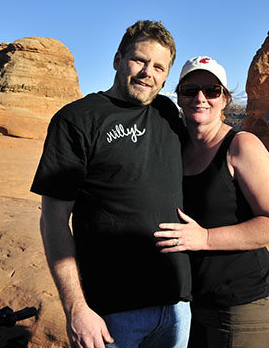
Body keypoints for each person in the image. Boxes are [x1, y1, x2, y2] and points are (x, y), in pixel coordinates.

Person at [31, 20, 192, 348]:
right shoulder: (76, 120)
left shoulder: (166, 113)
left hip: (176, 308)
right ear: (118, 60)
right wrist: (76, 309)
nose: (148, 72)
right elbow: (53, 220)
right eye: (139, 60)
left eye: (159, 67)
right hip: (111, 315)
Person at [154, 56, 269, 348]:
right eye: (190, 90)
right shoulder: (175, 146)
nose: (200, 98)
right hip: (193, 305)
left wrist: (204, 238)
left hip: (243, 305)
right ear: (178, 97)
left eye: (212, 91)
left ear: (225, 100)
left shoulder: (241, 146)